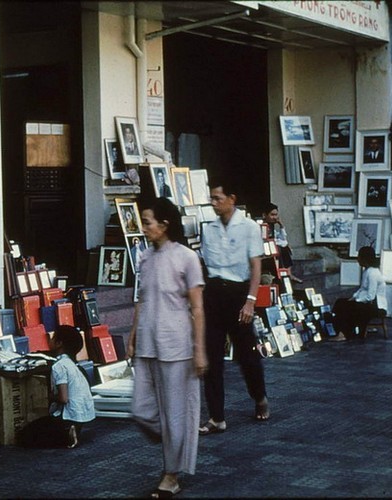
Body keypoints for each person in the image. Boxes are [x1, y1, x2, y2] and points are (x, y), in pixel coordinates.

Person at [128, 196, 206, 498]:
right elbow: (141, 299)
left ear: (164, 225)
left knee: (174, 414)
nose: (143, 228)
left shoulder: (187, 257)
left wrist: (199, 350)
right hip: (147, 342)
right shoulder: (144, 257)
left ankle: (171, 474)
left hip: (176, 344)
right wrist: (133, 337)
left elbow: (197, 308)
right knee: (140, 409)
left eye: (147, 223)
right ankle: (178, 440)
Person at [199, 176, 269, 435]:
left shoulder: (249, 227)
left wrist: (250, 301)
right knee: (212, 357)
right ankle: (217, 417)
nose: (214, 203)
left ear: (232, 199)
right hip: (214, 294)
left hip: (240, 294)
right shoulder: (209, 229)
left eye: (218, 198)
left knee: (246, 354)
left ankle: (259, 397)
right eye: (212, 199)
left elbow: (256, 267)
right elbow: (206, 267)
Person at [18, 325, 95, 448]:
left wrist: (47, 397)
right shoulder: (73, 364)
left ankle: (65, 434)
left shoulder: (59, 366)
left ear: (59, 343)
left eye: (53, 338)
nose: (50, 340)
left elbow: (63, 398)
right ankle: (72, 431)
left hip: (69, 415)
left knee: (24, 436)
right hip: (83, 415)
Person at [330, 246, 387, 341]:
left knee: (349, 307)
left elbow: (370, 296)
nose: (358, 259)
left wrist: (357, 300)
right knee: (341, 302)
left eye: (359, 257)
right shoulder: (367, 271)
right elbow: (362, 289)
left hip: (375, 305)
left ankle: (343, 333)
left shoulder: (373, 274)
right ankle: (337, 328)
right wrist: (353, 297)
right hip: (367, 302)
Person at [260, 202, 302, 286]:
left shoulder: (272, 226)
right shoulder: (262, 226)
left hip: (273, 249)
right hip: (264, 251)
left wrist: (281, 225)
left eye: (276, 215)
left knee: (283, 247)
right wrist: (283, 244)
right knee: (282, 247)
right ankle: (286, 273)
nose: (275, 217)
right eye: (272, 215)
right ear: (265, 215)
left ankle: (288, 272)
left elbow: (282, 238)